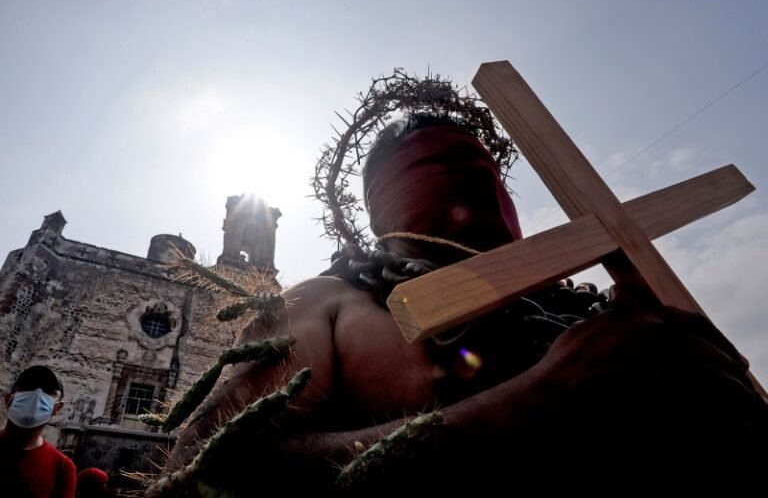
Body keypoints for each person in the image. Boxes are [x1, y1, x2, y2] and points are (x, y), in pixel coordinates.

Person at [167, 114, 768, 494]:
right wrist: (539, 400)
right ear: (379, 206)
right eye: (423, 160)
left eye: (474, 159)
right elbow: (204, 473)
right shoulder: (326, 304)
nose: (463, 175)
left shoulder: (609, 315)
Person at [0, 365, 77, 498]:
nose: (37, 394)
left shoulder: (62, 468)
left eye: (48, 391)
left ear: (57, 408)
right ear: (8, 399)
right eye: (28, 386)